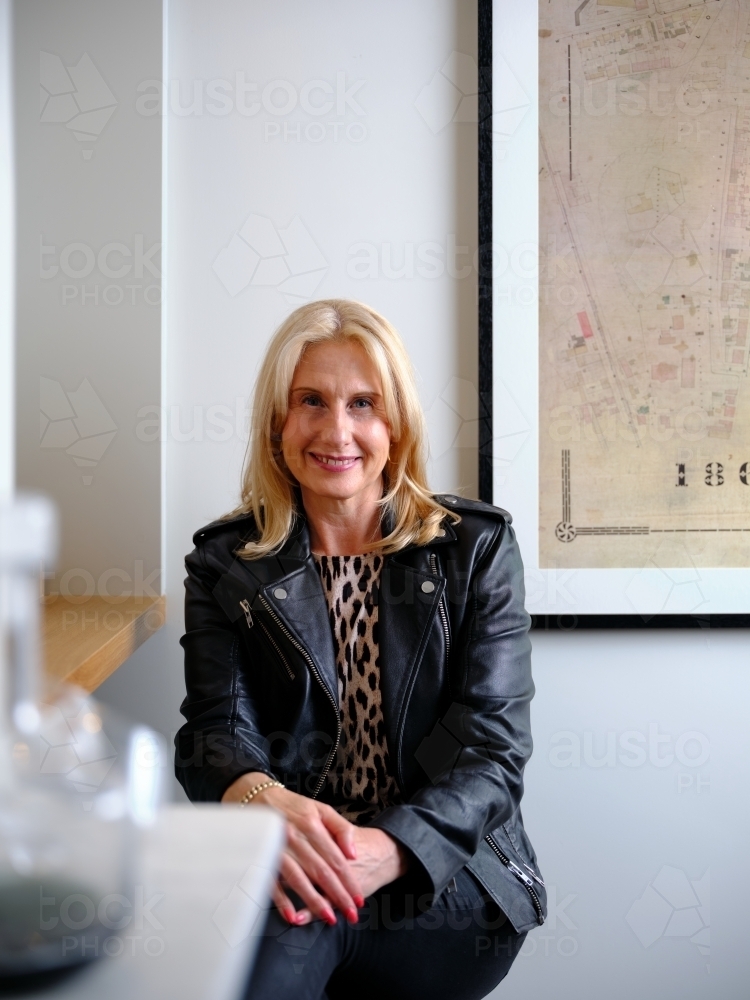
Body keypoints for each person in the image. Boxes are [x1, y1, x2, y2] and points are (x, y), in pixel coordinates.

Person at [175, 300, 546, 1000]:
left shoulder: (475, 550)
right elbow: (213, 733)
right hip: (297, 864)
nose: (336, 430)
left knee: (296, 922)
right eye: (310, 401)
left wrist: (392, 846)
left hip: (451, 877)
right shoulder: (227, 563)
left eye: (364, 403)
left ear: (395, 422)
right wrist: (262, 798)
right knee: (296, 913)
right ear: (276, 423)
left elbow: (492, 752)